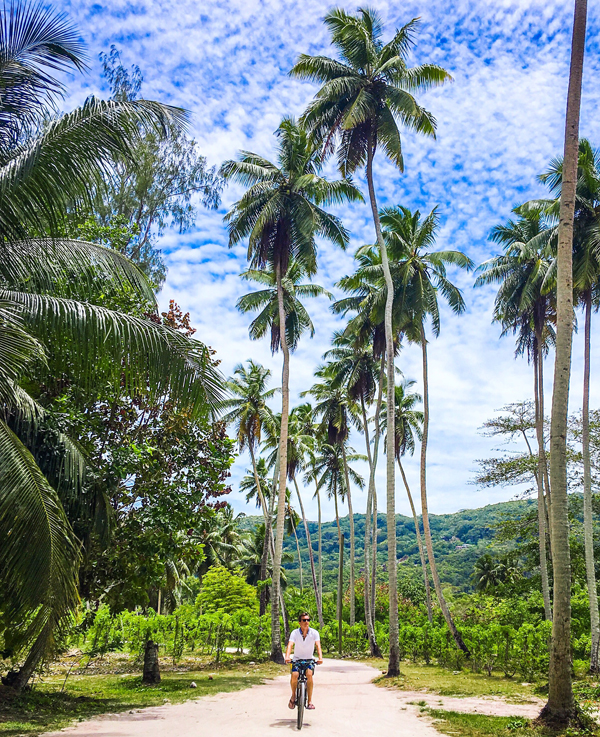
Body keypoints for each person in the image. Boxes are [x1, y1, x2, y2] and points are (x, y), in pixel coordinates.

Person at [285, 611, 323, 711]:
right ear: (300, 622)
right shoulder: (295, 633)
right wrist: (287, 656)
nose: (306, 622)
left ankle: (309, 701)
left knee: (309, 674)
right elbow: (290, 645)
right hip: (297, 659)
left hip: (309, 660)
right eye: (304, 620)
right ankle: (293, 696)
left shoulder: (314, 633)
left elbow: (318, 645)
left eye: (308, 620)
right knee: (294, 675)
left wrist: (320, 657)